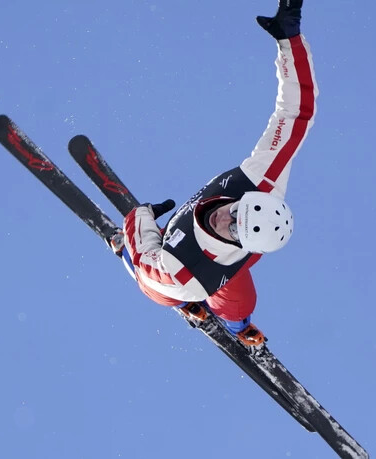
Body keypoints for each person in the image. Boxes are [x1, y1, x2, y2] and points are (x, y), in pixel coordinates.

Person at [112, 0, 317, 346]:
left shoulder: (183, 273)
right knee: (183, 279)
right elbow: (296, 113)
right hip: (187, 257)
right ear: (250, 200)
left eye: (234, 229)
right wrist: (290, 40)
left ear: (243, 244)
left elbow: (149, 271)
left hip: (186, 273)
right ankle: (213, 306)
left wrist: (139, 217)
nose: (226, 218)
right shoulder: (262, 180)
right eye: (237, 212)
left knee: (177, 293)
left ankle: (236, 326)